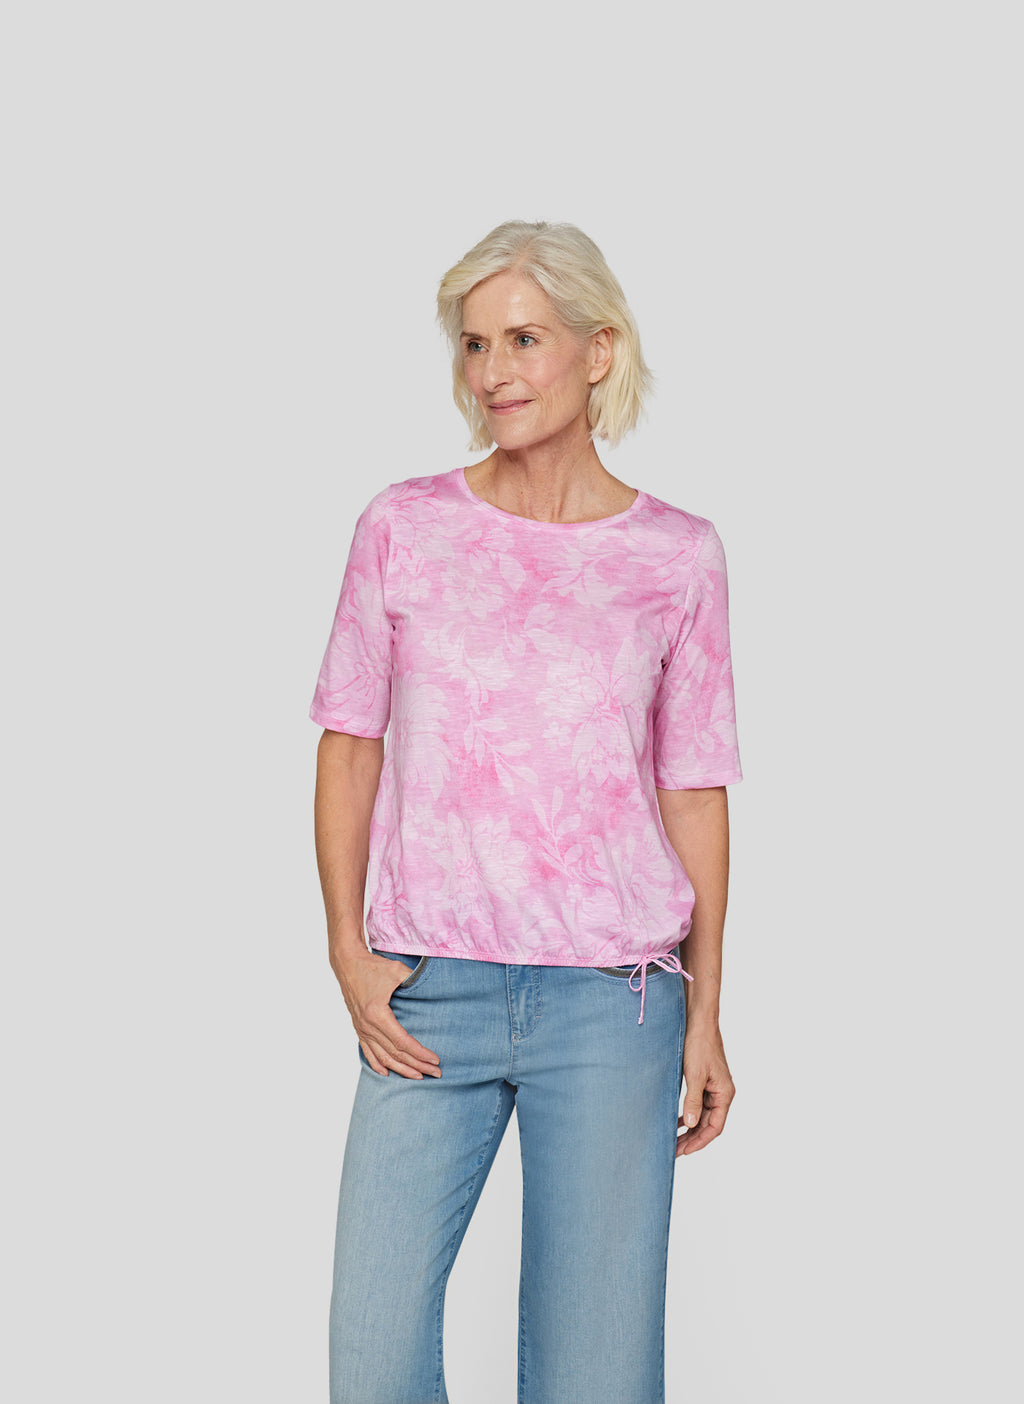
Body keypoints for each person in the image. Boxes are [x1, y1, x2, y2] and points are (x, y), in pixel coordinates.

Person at [311, 219, 743, 1404]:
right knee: (371, 1358)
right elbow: (349, 746)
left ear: (598, 351)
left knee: (594, 1379)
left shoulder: (676, 557)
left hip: (613, 1001)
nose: (492, 372)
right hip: (428, 990)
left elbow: (692, 788)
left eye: (523, 339)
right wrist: (347, 946)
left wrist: (706, 1012)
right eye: (473, 345)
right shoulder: (403, 527)